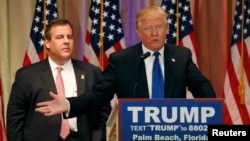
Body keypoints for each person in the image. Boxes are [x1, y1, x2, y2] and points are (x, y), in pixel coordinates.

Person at [35, 6, 216, 118]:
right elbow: (98, 96)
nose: (155, 33)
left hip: (174, 131)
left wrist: (212, 110)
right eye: (148, 28)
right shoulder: (121, 60)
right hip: (135, 133)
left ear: (167, 29)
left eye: (159, 27)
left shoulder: (182, 56)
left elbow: (202, 87)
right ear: (139, 32)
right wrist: (68, 104)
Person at [7, 18, 110, 141]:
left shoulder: (92, 72)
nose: (66, 41)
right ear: (47, 43)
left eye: (69, 37)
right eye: (60, 37)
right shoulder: (26, 75)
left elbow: (104, 115)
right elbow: (15, 119)